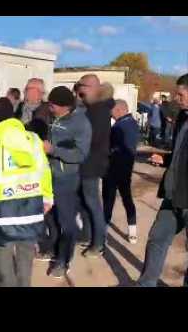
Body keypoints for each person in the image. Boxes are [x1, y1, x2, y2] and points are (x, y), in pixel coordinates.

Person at [0, 98, 53, 287]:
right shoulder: (32, 139)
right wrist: (47, 197)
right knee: (26, 257)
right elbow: (44, 170)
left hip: (1, 211)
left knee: (3, 260)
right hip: (31, 206)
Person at [137, 74, 188, 287]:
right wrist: (165, 158)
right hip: (173, 193)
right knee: (157, 238)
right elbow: (179, 153)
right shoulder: (183, 118)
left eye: (181, 94)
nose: (177, 98)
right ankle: (146, 283)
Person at [43, 86, 92, 278]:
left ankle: (64, 260)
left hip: (67, 179)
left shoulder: (80, 122)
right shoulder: (55, 118)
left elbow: (81, 154)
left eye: (53, 105)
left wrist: (53, 150)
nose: (50, 108)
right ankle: (55, 251)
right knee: (50, 218)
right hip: (48, 177)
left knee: (67, 223)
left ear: (64, 106)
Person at [75, 74, 114, 258]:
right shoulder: (93, 108)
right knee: (85, 203)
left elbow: (93, 139)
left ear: (91, 87)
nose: (80, 92)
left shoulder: (98, 110)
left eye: (82, 89)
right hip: (86, 163)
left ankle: (98, 244)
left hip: (91, 164)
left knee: (93, 204)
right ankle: (88, 236)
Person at [102, 100, 140, 244]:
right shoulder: (133, 124)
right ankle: (133, 232)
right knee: (127, 199)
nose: (111, 115)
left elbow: (113, 148)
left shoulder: (120, 126)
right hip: (126, 169)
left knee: (108, 201)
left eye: (112, 112)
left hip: (113, 169)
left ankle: (103, 232)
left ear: (119, 110)